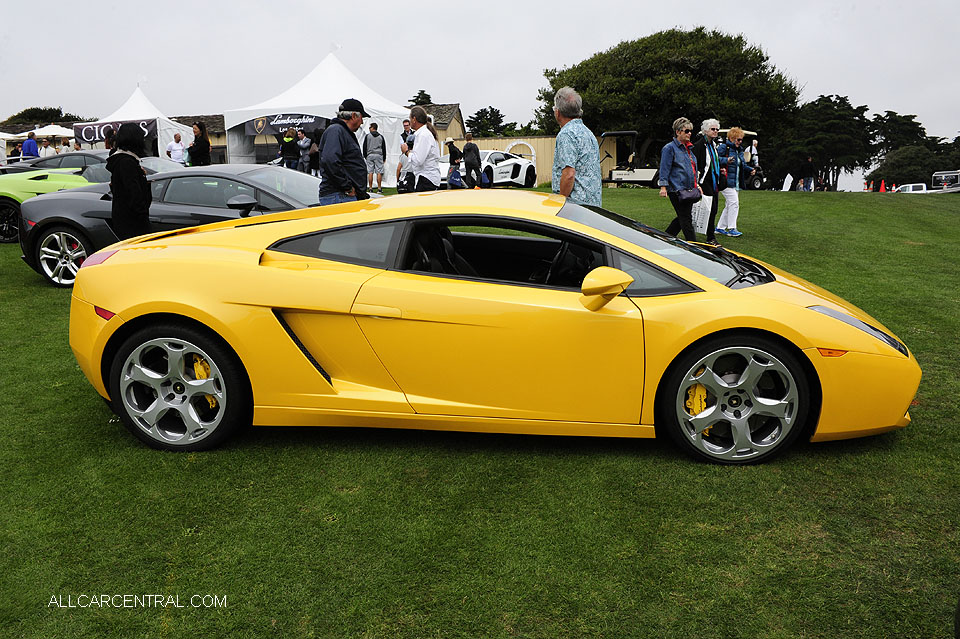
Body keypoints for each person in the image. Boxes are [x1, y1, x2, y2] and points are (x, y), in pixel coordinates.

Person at [551, 86, 601, 206]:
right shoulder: (588, 133)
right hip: (593, 206)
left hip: (575, 207)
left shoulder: (566, 134)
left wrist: (560, 203)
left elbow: (569, 174)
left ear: (558, 112)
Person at [316, 98, 370, 206]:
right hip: (339, 196)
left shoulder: (341, 131)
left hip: (342, 195)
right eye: (361, 118)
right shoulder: (336, 130)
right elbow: (330, 160)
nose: (362, 122)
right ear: (354, 116)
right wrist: (347, 187)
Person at [105, 122, 151, 240]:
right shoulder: (127, 163)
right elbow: (134, 194)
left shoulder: (122, 160)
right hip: (133, 222)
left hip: (124, 218)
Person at [658, 116, 699, 241]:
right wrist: (663, 187)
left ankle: (664, 238)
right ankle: (694, 245)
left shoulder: (688, 149)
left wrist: (697, 185)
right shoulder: (669, 148)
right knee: (686, 219)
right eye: (687, 131)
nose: (689, 133)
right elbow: (664, 168)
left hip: (688, 189)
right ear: (678, 132)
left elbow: (692, 170)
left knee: (682, 217)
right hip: (676, 189)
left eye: (690, 131)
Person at [716, 127, 755, 237]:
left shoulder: (740, 150)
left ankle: (720, 227)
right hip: (725, 181)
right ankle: (732, 228)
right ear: (731, 138)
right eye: (738, 139)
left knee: (729, 204)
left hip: (735, 182)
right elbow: (715, 159)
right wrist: (726, 160)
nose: (740, 142)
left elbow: (742, 165)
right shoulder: (724, 147)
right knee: (734, 203)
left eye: (741, 139)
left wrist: (750, 169)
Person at [692, 118, 723, 245]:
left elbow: (714, 162)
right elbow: (696, 163)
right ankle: (710, 237)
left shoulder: (713, 146)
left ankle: (710, 235)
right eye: (713, 129)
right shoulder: (700, 145)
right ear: (705, 131)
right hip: (704, 181)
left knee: (713, 209)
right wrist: (697, 182)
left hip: (713, 181)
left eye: (717, 129)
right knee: (707, 208)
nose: (715, 131)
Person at [408, 105, 441, 192]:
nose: (410, 121)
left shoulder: (423, 135)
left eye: (410, 118)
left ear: (414, 119)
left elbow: (419, 160)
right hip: (427, 178)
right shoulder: (424, 134)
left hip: (426, 178)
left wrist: (407, 152)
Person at [362, 122, 386, 192]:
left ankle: (370, 188)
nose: (369, 129)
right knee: (379, 172)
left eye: (370, 127)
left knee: (370, 172)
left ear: (372, 128)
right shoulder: (381, 137)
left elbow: (364, 146)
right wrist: (384, 157)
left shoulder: (368, 136)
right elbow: (383, 147)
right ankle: (379, 188)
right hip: (378, 155)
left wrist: (365, 156)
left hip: (370, 155)